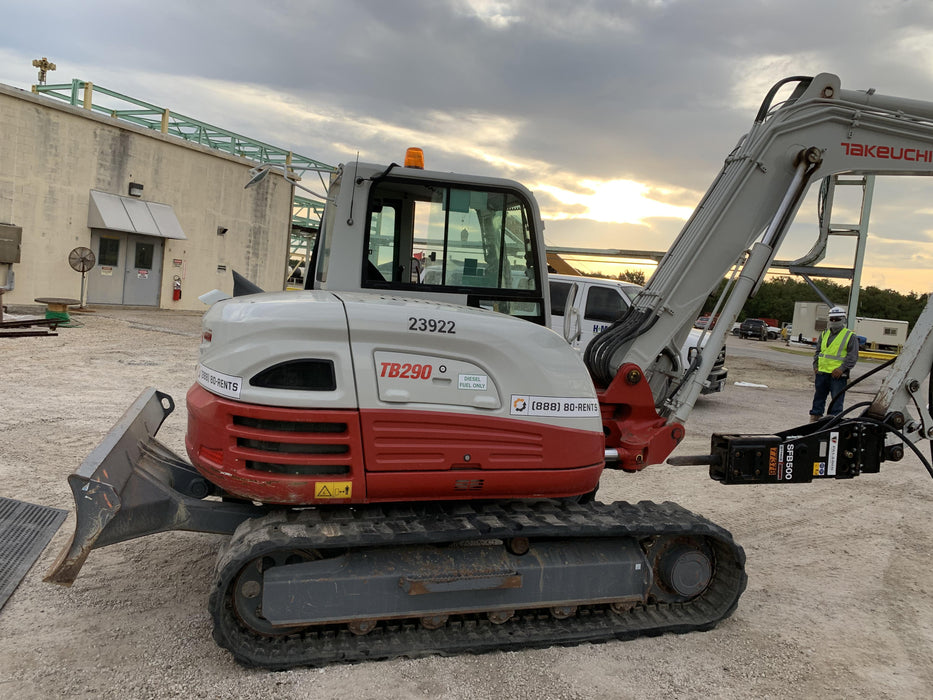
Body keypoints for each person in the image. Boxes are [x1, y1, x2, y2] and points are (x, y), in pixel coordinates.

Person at [810, 307, 859, 421]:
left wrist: (842, 369)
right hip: (822, 373)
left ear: (843, 320)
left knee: (836, 402)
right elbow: (818, 352)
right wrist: (815, 366)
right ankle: (814, 421)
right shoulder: (824, 334)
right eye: (832, 319)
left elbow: (853, 356)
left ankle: (834, 423)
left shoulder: (849, 336)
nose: (834, 321)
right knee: (818, 400)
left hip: (837, 376)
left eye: (837, 319)